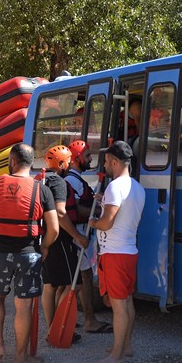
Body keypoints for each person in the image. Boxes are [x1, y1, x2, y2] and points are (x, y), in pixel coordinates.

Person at [0, 143, 58, 363]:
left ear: (12, 161)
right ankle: (21, 357)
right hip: (28, 253)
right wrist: (45, 246)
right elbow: (54, 228)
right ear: (32, 163)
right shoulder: (41, 189)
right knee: (23, 306)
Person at [90, 141, 145, 363]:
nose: (105, 165)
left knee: (118, 306)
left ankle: (117, 355)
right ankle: (126, 346)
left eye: (106, 161)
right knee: (127, 301)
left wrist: (93, 222)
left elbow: (106, 223)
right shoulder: (137, 187)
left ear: (114, 161)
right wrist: (105, 202)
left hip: (114, 253)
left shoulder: (115, 186)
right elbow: (124, 213)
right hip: (129, 250)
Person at [40, 145, 89, 342]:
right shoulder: (58, 183)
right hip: (59, 239)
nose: (70, 164)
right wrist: (77, 236)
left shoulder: (42, 179)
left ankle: (52, 329)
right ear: (61, 164)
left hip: (45, 238)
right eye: (68, 161)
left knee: (50, 285)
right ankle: (59, 330)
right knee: (73, 285)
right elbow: (61, 213)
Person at [63, 140, 106, 333]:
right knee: (84, 276)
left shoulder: (75, 178)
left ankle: (72, 317)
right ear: (76, 159)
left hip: (80, 231)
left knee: (80, 276)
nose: (90, 159)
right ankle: (89, 320)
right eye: (87, 156)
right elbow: (76, 207)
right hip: (79, 232)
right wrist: (94, 212)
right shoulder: (72, 180)